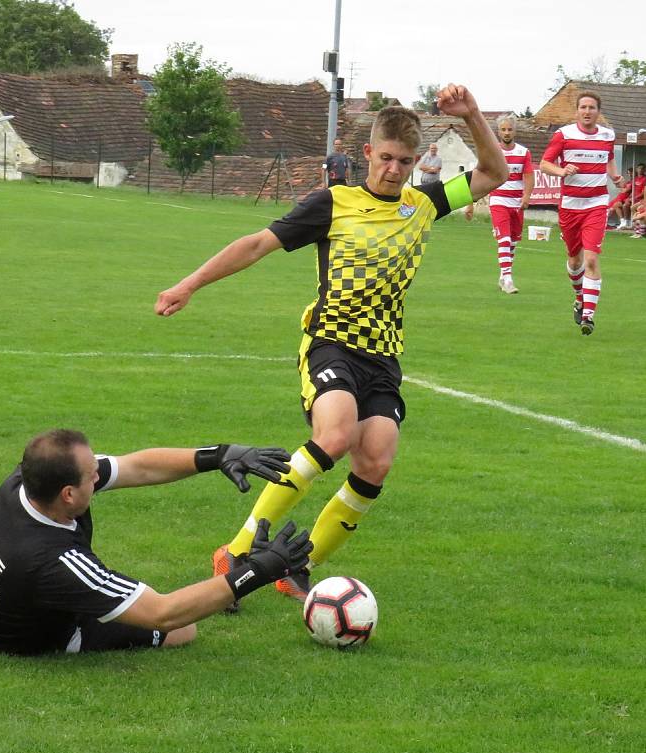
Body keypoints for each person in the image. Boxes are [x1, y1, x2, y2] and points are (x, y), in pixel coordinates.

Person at [154, 83, 508, 606]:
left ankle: (297, 565)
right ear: (368, 153)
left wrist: (474, 113)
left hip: (384, 355)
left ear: (415, 162)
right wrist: (189, 284)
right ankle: (237, 550)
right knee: (336, 435)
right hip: (331, 343)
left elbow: (495, 174)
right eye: (386, 158)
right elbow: (257, 244)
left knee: (377, 461)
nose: (394, 170)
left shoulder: (425, 204)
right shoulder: (333, 203)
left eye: (405, 161)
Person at [0, 430, 312, 655]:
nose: (99, 473)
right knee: (183, 632)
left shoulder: (31, 480)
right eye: (90, 473)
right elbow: (165, 613)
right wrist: (258, 570)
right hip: (18, 637)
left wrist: (217, 455)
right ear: (67, 494)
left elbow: (135, 468)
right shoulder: (54, 561)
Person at [539, 92, 626, 335]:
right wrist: (562, 170)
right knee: (575, 260)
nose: (587, 112)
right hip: (570, 207)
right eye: (583, 107)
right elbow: (545, 163)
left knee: (591, 259)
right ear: (577, 111)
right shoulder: (564, 135)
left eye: (592, 108)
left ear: (598, 111)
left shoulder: (608, 135)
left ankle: (588, 315)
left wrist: (615, 176)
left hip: (596, 205)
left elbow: (608, 159)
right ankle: (579, 297)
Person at [484, 113, 535, 294]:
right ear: (498, 132)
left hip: (516, 202)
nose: (506, 133)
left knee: (512, 242)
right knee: (504, 239)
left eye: (509, 129)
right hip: (498, 199)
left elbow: (529, 176)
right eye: (503, 129)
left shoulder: (523, 152)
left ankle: (502, 275)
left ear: (515, 131)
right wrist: (471, 201)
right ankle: (508, 279)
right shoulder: (492, 151)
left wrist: (526, 197)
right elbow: (481, 175)